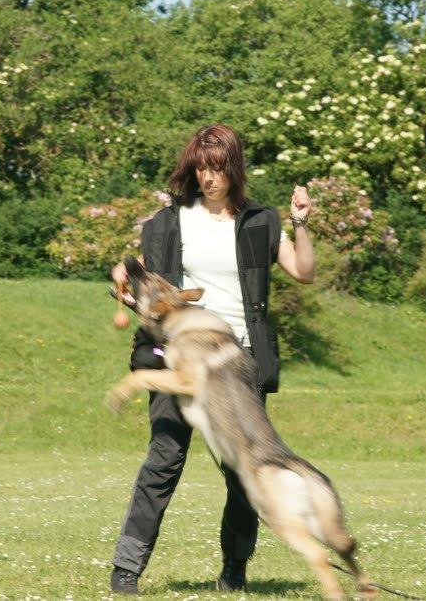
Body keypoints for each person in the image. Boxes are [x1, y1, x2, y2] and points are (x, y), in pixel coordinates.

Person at [108, 124, 315, 594]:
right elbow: (142, 289)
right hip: (175, 358)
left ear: (233, 168)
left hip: (236, 365)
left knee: (244, 470)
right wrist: (122, 282)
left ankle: (234, 570)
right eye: (201, 167)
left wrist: (300, 222)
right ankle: (126, 571)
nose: (209, 177)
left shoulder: (262, 221)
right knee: (163, 460)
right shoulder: (167, 222)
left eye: (217, 167)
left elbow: (304, 271)